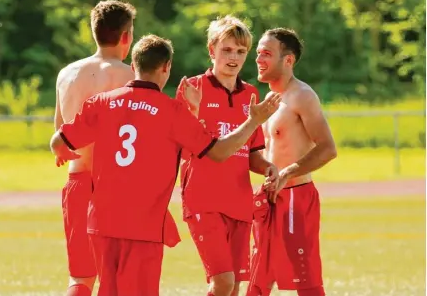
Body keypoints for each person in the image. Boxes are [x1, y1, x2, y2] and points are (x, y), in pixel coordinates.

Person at [50, 34, 281, 296]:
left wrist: (62, 153)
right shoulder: (171, 112)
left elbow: (59, 141)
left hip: (101, 223)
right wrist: (252, 122)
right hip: (144, 226)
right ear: (166, 67)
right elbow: (217, 153)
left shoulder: (103, 102)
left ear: (134, 65)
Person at [175, 15, 280, 296]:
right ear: (212, 50)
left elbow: (252, 154)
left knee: (233, 288)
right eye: (226, 50)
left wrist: (269, 168)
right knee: (221, 282)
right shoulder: (193, 89)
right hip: (203, 200)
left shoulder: (251, 95)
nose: (233, 57)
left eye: (240, 51)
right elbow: (187, 145)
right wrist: (194, 113)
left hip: (239, 201)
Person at [53, 0, 136, 296]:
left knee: (80, 278)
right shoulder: (130, 75)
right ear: (126, 36)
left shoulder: (66, 74)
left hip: (77, 180)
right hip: (115, 186)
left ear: (94, 32)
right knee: (117, 279)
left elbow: (60, 131)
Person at [246, 28, 338, 296]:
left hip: (297, 198)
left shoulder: (302, 95)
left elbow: (328, 148)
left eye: (266, 53)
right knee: (258, 279)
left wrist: (288, 172)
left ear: (288, 60)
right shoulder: (268, 101)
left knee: (305, 280)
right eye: (258, 53)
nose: (259, 59)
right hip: (269, 199)